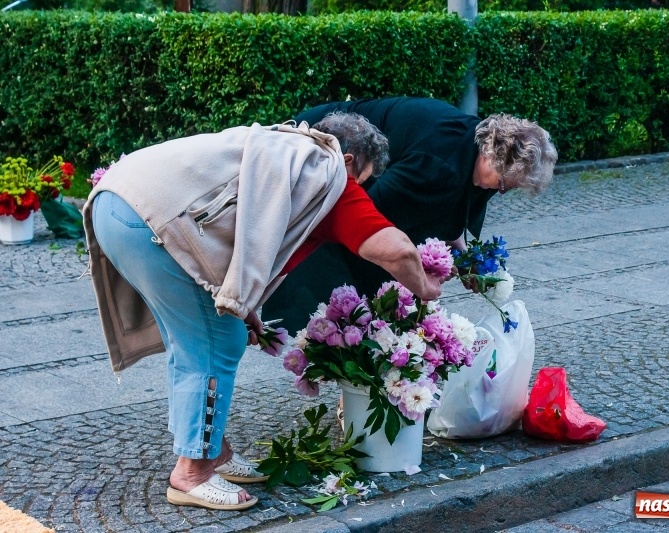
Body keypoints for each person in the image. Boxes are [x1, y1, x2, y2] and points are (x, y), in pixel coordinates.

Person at [82, 113, 443, 511]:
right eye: (363, 180)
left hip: (118, 204)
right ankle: (192, 473)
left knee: (200, 337)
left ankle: (212, 450)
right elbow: (396, 251)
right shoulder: (328, 173)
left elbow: (243, 228)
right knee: (215, 342)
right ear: (349, 160)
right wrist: (425, 287)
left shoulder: (287, 150)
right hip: (147, 219)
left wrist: (243, 303)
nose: (360, 190)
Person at [262, 96, 558, 332]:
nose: (502, 192)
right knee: (345, 267)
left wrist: (462, 258)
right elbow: (372, 224)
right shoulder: (436, 166)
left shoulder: (476, 147)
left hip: (368, 159)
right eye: (504, 184)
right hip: (324, 145)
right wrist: (417, 277)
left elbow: (450, 210)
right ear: (493, 157)